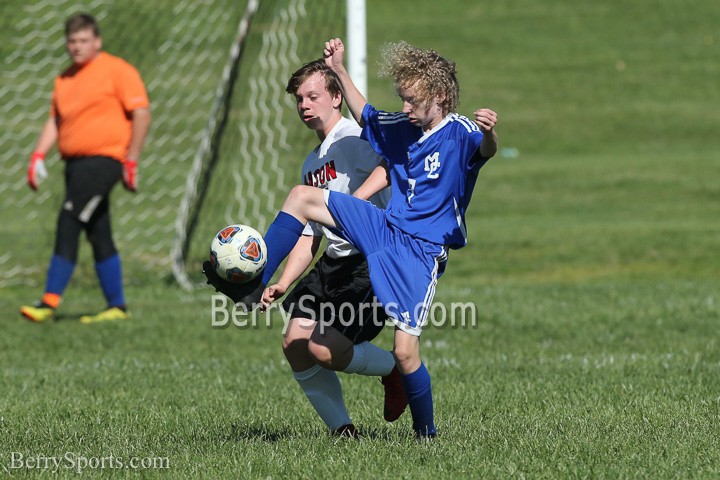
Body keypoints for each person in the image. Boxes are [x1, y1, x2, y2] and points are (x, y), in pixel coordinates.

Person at [206, 37, 498, 438]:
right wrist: (340, 69)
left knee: (401, 351)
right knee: (301, 198)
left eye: (412, 100)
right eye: (404, 100)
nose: (406, 108)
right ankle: (252, 284)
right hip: (382, 228)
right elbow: (371, 115)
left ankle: (427, 438)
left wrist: (490, 134)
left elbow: (482, 151)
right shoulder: (396, 129)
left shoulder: (460, 130)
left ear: (441, 96)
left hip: (417, 250)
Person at [204, 59, 407, 438]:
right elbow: (309, 234)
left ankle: (396, 368)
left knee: (324, 350)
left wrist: (352, 205)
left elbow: (393, 165)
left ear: (336, 97)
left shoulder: (353, 137)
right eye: (299, 99)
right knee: (295, 342)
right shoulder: (312, 162)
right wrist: (283, 281)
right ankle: (343, 432)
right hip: (333, 261)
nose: (304, 105)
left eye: (313, 96)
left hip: (372, 260)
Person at [20, 13, 151, 324]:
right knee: (98, 231)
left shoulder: (117, 70)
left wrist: (131, 160)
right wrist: (38, 155)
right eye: (72, 41)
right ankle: (117, 307)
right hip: (74, 166)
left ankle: (48, 301)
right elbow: (55, 120)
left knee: (69, 219)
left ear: (97, 41)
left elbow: (141, 114)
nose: (77, 47)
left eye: (83, 41)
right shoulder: (64, 79)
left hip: (103, 162)